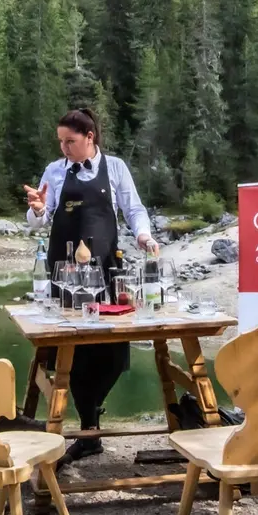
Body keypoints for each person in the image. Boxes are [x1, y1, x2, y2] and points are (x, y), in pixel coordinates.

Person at [24, 107, 158, 463]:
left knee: (112, 352)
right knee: (74, 353)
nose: (64, 148)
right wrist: (37, 209)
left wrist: (143, 236)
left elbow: (133, 209)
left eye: (70, 141)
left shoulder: (114, 168)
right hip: (64, 271)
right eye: (61, 142)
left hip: (107, 269)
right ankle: (89, 432)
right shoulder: (54, 171)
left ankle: (92, 412)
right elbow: (39, 221)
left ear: (90, 138)